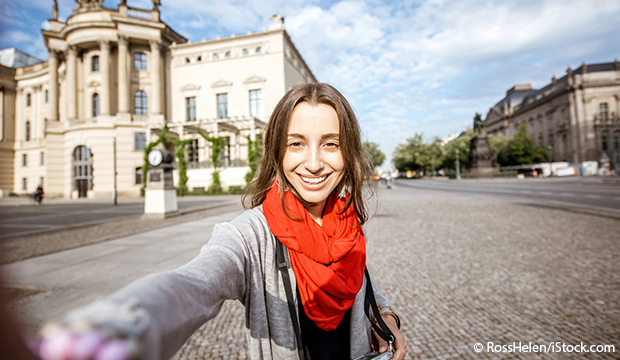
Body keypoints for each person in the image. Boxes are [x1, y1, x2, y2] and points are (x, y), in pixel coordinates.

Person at [34, 83, 407, 360]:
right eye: (296, 143)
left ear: (348, 152)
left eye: (330, 143)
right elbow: (195, 282)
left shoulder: (345, 222)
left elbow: (356, 275)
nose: (313, 162)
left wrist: (384, 312)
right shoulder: (250, 235)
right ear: (277, 151)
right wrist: (107, 332)